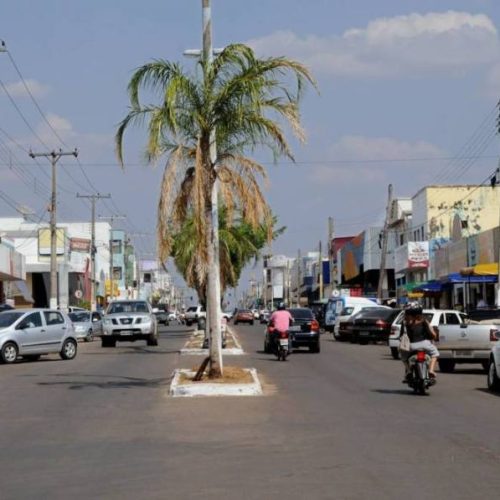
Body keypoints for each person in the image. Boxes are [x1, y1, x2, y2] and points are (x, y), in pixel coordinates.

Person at [400, 305, 439, 380]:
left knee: (404, 358)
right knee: (435, 354)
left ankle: (408, 371)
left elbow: (401, 336)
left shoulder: (405, 323)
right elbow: (431, 334)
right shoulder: (424, 321)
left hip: (410, 346)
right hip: (424, 344)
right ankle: (431, 370)